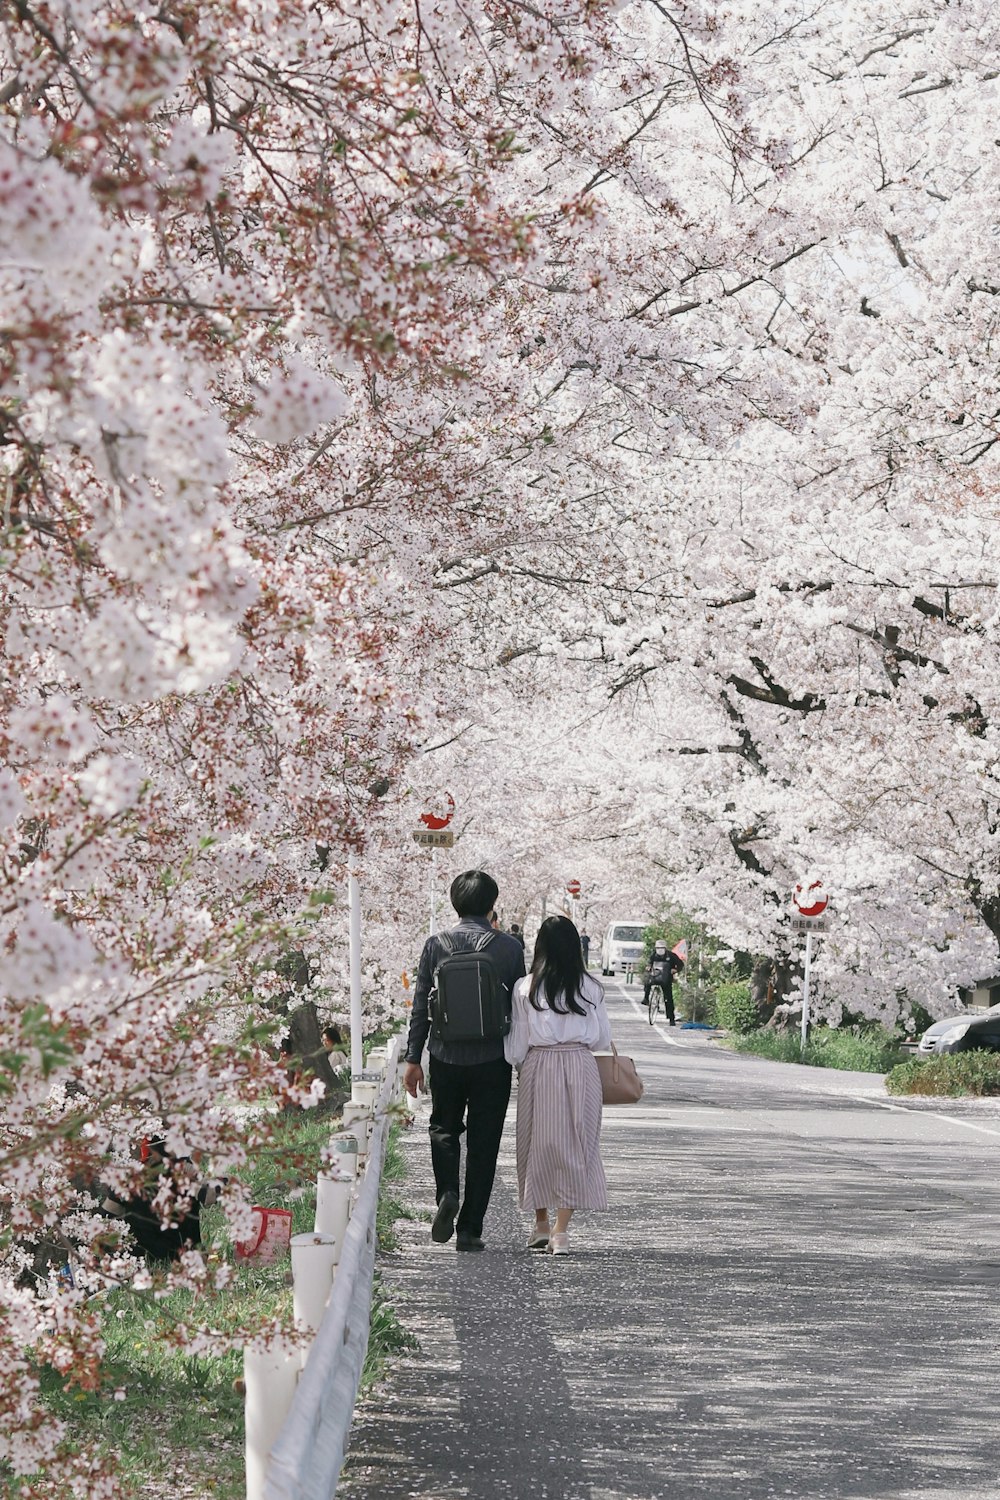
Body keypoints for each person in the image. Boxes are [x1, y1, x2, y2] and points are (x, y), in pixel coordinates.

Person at [403, 870, 526, 1252]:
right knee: (484, 1141)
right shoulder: (508, 948)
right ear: (492, 905)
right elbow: (519, 1008)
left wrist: (413, 1058)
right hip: (493, 1059)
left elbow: (421, 1005)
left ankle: (446, 1194)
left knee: (443, 1128)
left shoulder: (435, 944)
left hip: (445, 1056)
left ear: (454, 903)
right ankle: (470, 1229)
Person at [505, 914, 611, 1255]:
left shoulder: (526, 987)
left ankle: (539, 1223)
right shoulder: (591, 987)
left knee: (536, 1144)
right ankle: (560, 1232)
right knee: (579, 1145)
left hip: (539, 1064)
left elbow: (517, 1043)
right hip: (580, 1065)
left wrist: (523, 1064)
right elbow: (601, 1040)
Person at [643, 939, 684, 1024]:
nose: (660, 950)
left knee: (668, 998)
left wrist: (675, 969)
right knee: (647, 982)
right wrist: (648, 967)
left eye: (662, 948)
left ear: (665, 948)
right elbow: (649, 963)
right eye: (658, 948)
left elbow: (680, 964)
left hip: (666, 979)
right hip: (655, 976)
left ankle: (671, 1018)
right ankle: (646, 998)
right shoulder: (654, 955)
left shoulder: (671, 956)